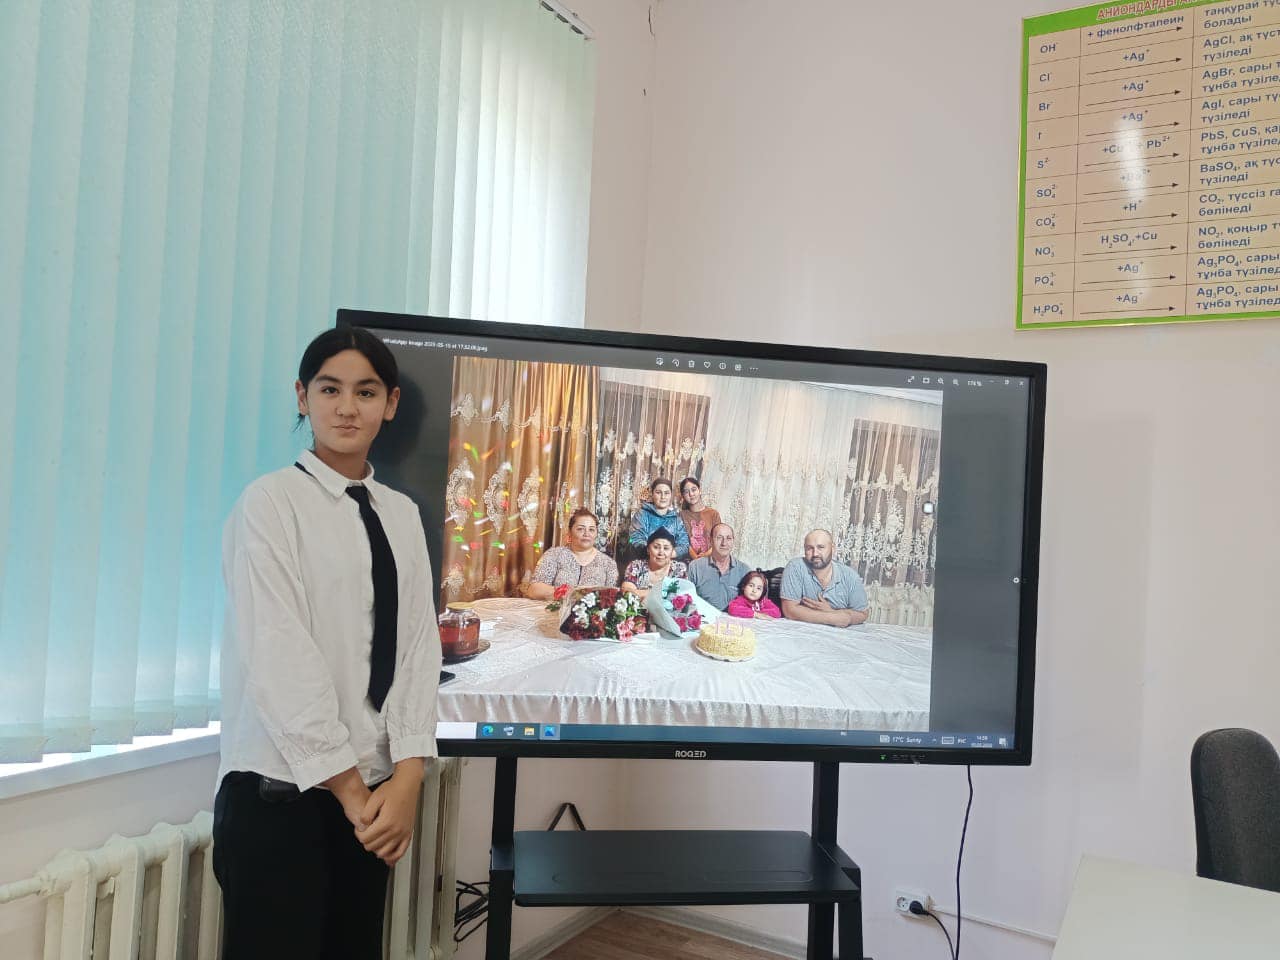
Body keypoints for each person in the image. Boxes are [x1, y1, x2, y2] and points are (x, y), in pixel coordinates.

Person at [215, 327, 441, 960]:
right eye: (329, 389)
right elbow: (278, 655)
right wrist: (352, 793)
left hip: (374, 797)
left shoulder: (401, 513)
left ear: (390, 403)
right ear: (302, 397)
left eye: (365, 392)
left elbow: (417, 646)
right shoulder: (269, 503)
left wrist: (409, 774)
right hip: (282, 796)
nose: (347, 407)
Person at [779, 528, 869, 627]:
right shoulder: (795, 567)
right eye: (809, 548)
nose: (815, 553)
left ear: (833, 548)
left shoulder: (850, 576)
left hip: (838, 634)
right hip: (802, 631)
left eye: (821, 547)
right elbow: (789, 610)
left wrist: (832, 612)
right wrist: (833, 617)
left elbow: (862, 613)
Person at [525, 508, 620, 599]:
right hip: (556, 609)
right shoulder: (554, 555)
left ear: (596, 534)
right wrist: (566, 593)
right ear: (570, 532)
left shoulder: (608, 563)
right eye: (580, 529)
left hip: (592, 610)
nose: (586, 534)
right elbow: (533, 590)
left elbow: (613, 597)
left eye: (591, 530)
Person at [687, 523, 751, 611]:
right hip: (704, 617)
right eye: (719, 538)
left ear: (733, 541)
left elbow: (752, 603)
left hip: (734, 619)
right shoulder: (695, 567)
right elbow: (687, 601)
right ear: (710, 540)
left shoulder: (744, 571)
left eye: (729, 538)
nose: (724, 543)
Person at [628, 477, 690, 559]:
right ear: (652, 494)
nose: (663, 497)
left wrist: (669, 554)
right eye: (658, 492)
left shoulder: (676, 519)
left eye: (666, 493)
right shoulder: (642, 514)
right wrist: (653, 552)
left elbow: (684, 544)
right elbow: (634, 539)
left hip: (669, 561)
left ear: (671, 495)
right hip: (646, 560)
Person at [621, 528, 689, 600]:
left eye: (666, 548)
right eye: (656, 547)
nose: (661, 552)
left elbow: (680, 597)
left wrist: (640, 593)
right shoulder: (636, 566)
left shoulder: (678, 569)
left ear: (672, 551)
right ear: (648, 550)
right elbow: (627, 592)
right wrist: (663, 594)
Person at [678, 476, 723, 560]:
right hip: (689, 561)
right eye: (686, 492)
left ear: (700, 490)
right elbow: (682, 541)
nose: (691, 494)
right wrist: (695, 557)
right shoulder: (681, 515)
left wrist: (705, 555)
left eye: (694, 490)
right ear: (683, 496)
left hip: (711, 560)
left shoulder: (713, 514)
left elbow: (719, 539)